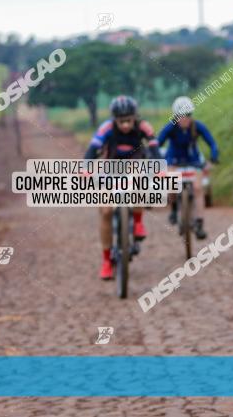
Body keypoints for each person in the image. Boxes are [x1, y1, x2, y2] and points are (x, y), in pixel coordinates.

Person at [83, 95, 161, 280]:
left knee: (140, 180)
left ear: (135, 117)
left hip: (135, 166)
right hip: (110, 169)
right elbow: (92, 149)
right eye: (121, 121)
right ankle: (107, 260)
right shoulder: (106, 128)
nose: (125, 125)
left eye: (129, 120)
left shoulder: (144, 126)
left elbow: (154, 147)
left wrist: (159, 169)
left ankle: (138, 221)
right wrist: (85, 169)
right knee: (106, 210)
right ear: (114, 119)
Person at [158, 96, 219, 240]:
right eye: (180, 116)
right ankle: (173, 209)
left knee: (198, 188)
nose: (184, 119)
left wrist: (213, 158)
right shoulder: (170, 127)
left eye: (188, 115)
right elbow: (157, 143)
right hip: (173, 160)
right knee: (171, 184)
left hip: (193, 161)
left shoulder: (197, 126)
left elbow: (212, 143)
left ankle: (199, 223)